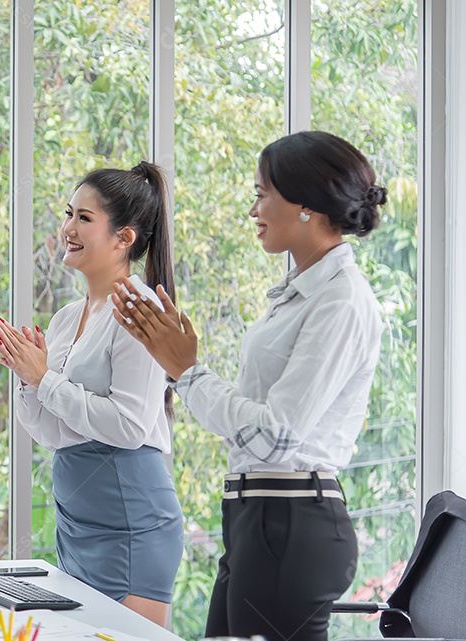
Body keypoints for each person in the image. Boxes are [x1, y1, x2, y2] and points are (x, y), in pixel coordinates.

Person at [113, 130, 387, 641]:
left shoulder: (341, 300)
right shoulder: (299, 292)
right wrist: (179, 366)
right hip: (257, 520)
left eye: (262, 193)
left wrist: (188, 372)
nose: (253, 208)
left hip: (290, 525)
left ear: (305, 203)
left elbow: (274, 436)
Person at [0, 162, 183, 627]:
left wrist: (44, 380)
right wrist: (26, 377)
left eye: (84, 218)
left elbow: (130, 427)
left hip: (132, 522)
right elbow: (53, 433)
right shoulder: (66, 318)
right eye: (68, 213)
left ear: (124, 238)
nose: (68, 228)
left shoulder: (141, 310)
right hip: (78, 519)